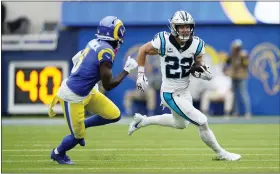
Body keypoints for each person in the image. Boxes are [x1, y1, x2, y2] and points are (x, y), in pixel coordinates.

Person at [128, 10, 241, 161]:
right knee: (202, 121)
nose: (185, 29)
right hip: (170, 92)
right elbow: (143, 50)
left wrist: (202, 71)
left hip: (185, 91)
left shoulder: (196, 44)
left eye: (188, 26)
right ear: (174, 27)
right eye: (181, 26)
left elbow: (198, 65)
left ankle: (143, 121)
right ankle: (221, 153)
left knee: (180, 124)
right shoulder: (163, 40)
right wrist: (140, 74)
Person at [48, 16, 138, 164]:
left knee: (114, 115)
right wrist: (126, 70)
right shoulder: (106, 51)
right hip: (73, 96)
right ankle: (58, 153)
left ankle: (82, 124)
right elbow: (108, 85)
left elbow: (76, 59)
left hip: (88, 91)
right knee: (77, 137)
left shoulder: (94, 42)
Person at [224, 39, 251, 119]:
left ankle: (248, 112)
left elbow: (246, 65)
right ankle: (236, 112)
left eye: (237, 47)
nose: (235, 49)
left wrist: (245, 57)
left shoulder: (243, 55)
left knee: (243, 94)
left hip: (242, 77)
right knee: (234, 95)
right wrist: (227, 71)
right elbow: (226, 64)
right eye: (234, 47)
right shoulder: (231, 55)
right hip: (234, 77)